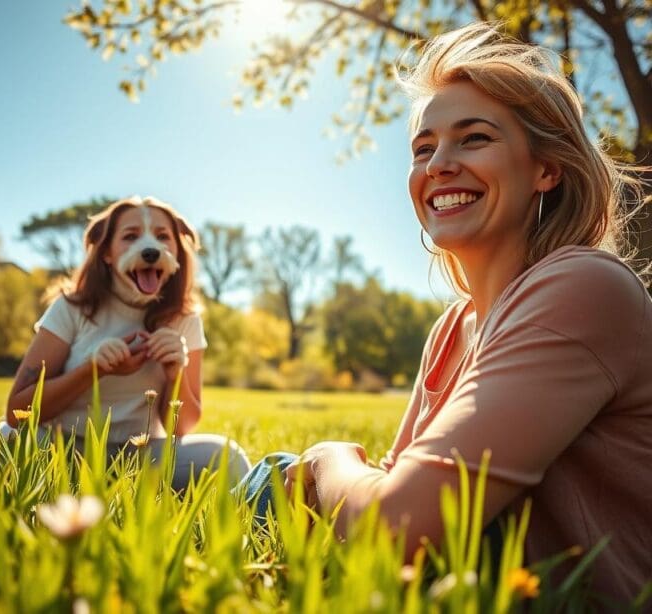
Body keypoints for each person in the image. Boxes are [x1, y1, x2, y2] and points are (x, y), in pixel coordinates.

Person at [237, 23, 652, 603]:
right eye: (423, 148)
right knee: (261, 479)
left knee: (266, 477)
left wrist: (326, 461)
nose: (439, 165)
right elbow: (397, 480)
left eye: (474, 138)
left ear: (546, 169)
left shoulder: (584, 286)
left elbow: (394, 530)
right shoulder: (453, 328)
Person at [4, 196, 251, 488]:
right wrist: (93, 370)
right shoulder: (71, 308)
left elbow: (182, 427)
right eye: (131, 237)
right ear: (106, 252)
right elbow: (17, 411)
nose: (149, 248)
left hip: (141, 458)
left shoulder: (186, 321)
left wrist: (175, 374)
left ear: (177, 249)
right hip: (64, 450)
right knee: (7, 436)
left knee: (229, 458)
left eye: (162, 237)